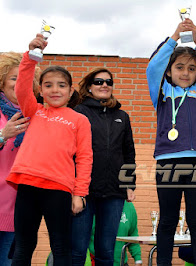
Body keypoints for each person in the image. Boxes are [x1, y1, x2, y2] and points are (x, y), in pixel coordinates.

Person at [6, 34, 93, 265]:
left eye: (61, 85)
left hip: (59, 190)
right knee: (24, 246)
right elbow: (22, 86)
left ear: (71, 90)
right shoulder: (33, 110)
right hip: (27, 186)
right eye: (48, 85)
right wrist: (30, 57)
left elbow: (85, 158)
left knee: (61, 247)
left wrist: (80, 193)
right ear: (40, 90)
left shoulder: (79, 120)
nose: (55, 90)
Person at [146, 18, 196, 266]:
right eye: (179, 67)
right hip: (168, 163)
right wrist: (175, 37)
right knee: (167, 219)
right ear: (169, 71)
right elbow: (153, 66)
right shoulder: (163, 93)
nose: (185, 73)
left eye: (191, 68)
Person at [71, 67, 136, 266]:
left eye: (108, 82)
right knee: (77, 249)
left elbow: (128, 153)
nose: (104, 85)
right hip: (83, 190)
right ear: (89, 87)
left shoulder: (122, 116)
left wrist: (129, 183)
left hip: (114, 192)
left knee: (107, 251)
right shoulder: (78, 112)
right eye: (98, 82)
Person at [0, 51, 41, 266]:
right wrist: (2, 135)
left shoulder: (37, 115)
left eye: (23, 79)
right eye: (13, 78)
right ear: (2, 81)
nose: (19, 84)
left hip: (20, 206)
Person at [89, 201, 142, 266]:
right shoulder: (98, 205)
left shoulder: (129, 206)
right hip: (97, 261)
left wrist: (138, 259)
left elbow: (133, 235)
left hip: (121, 263)